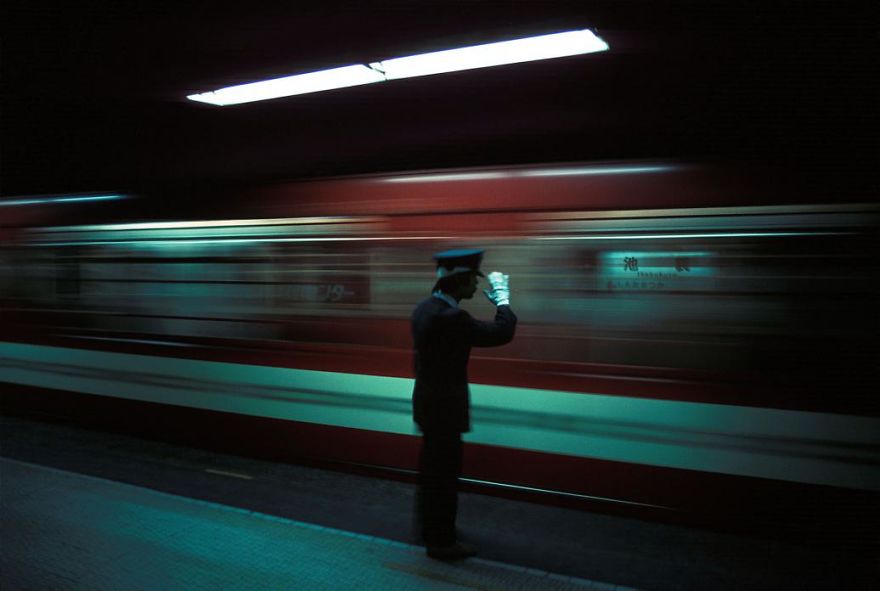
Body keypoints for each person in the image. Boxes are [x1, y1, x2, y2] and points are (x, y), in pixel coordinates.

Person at [411, 248, 517, 560]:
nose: (475, 287)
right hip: (445, 409)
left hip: (428, 405)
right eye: (472, 280)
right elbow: (501, 332)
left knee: (431, 474)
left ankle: (430, 530)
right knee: (444, 477)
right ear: (457, 282)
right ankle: (442, 543)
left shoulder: (423, 309)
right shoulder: (452, 318)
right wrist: (502, 298)